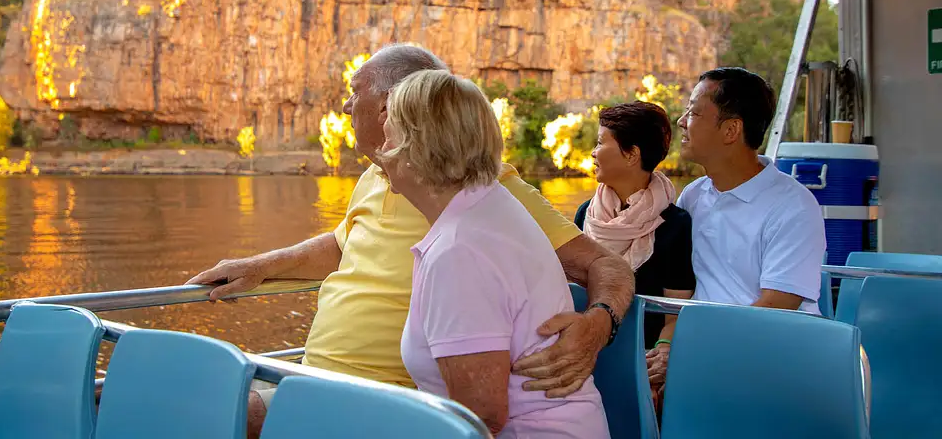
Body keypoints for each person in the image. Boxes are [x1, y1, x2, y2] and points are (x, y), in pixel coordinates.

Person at [186, 44, 634, 437]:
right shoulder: (392, 184)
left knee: (200, 414)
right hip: (320, 375)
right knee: (188, 399)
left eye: (356, 92)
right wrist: (261, 266)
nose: (345, 106)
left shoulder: (482, 201)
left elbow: (481, 416)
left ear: (392, 109)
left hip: (386, 398)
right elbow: (345, 245)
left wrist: (598, 325)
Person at [381, 69, 608, 438]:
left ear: (414, 147)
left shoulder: (459, 252)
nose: (382, 142)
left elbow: (480, 419)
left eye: (389, 125)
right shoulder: (491, 204)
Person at [674, 66, 826, 313]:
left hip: (767, 345)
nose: (682, 121)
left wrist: (697, 341)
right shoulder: (693, 195)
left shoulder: (793, 207)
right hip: (699, 339)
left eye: (693, 112)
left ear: (731, 130)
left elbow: (777, 307)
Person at [571, 102, 694, 404]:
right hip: (585, 351)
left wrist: (660, 357)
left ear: (631, 154)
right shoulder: (585, 215)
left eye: (600, 142)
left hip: (642, 361)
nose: (593, 151)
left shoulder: (675, 225)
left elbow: (674, 313)